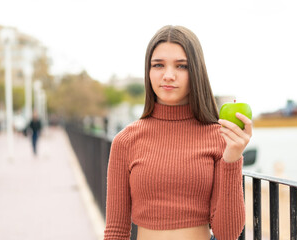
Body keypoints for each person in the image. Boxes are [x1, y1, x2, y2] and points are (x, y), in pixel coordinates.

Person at [104, 25, 252, 240]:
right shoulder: (125, 141)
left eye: (181, 66)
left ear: (196, 72)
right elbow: (116, 231)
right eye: (158, 65)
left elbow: (227, 234)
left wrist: (233, 156)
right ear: (148, 71)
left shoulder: (219, 138)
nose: (169, 75)